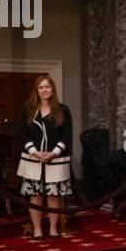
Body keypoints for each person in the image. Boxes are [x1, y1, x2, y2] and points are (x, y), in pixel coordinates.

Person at [18, 75, 73, 238]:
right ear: (36, 90)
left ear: (52, 89)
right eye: (41, 87)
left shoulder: (63, 110)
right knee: (35, 196)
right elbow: (23, 133)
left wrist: (54, 152)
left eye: (47, 87)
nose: (44, 90)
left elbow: (67, 135)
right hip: (33, 159)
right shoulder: (28, 109)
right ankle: (37, 229)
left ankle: (53, 229)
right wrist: (34, 152)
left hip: (56, 159)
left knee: (53, 196)